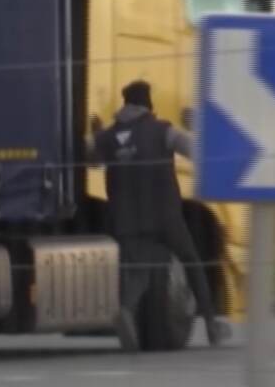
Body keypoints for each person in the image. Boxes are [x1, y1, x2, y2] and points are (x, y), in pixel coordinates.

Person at [90, 80, 220, 351]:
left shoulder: (107, 138)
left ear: (125, 104)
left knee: (140, 271)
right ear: (148, 104)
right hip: (165, 216)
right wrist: (197, 128)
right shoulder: (163, 131)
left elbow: (91, 160)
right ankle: (211, 323)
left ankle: (126, 310)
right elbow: (197, 152)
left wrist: (97, 133)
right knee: (191, 261)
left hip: (127, 220)